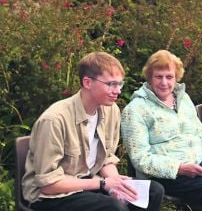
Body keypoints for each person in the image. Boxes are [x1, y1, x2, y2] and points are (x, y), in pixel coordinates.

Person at [21, 52, 164, 211]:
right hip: (50, 196)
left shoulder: (111, 110)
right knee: (113, 208)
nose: (117, 91)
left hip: (88, 181)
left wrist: (115, 183)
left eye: (119, 84)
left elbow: (106, 158)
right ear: (87, 82)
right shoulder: (54, 120)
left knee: (153, 191)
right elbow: (48, 185)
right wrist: (103, 184)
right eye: (111, 84)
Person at [121, 50, 202, 211]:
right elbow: (140, 158)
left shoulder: (183, 98)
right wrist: (179, 168)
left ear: (176, 77)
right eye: (158, 77)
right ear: (149, 78)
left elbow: (201, 133)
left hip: (199, 163)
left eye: (169, 77)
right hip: (166, 173)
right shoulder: (136, 109)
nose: (164, 82)